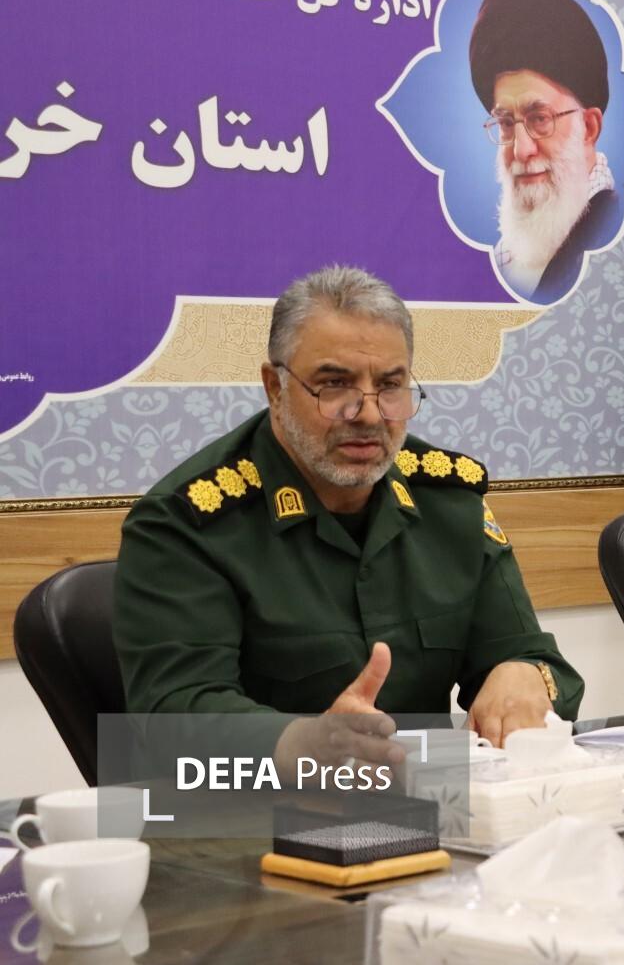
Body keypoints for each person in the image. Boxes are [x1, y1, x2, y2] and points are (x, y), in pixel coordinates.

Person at [113, 265, 582, 760]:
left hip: (429, 798)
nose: (370, 414)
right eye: (335, 385)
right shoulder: (186, 524)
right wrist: (300, 745)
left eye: (391, 385)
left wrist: (522, 674)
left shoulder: (448, 499)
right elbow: (171, 715)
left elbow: (536, 658)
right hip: (263, 802)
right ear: (275, 387)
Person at [468, 0, 623, 304]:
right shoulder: (506, 258)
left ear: (589, 128)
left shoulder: (616, 234)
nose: (521, 150)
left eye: (539, 119)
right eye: (506, 123)